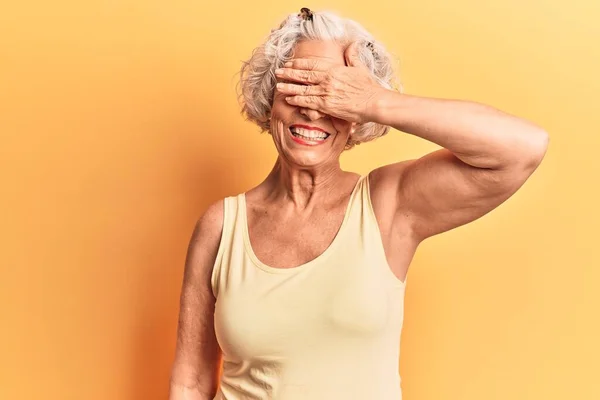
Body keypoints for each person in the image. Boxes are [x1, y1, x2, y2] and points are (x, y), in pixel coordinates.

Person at [168, 7, 549, 400]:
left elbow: (522, 148)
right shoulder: (221, 225)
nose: (314, 109)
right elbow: (191, 380)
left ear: (354, 117)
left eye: (334, 93)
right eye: (301, 86)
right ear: (270, 99)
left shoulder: (389, 205)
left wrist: (374, 100)